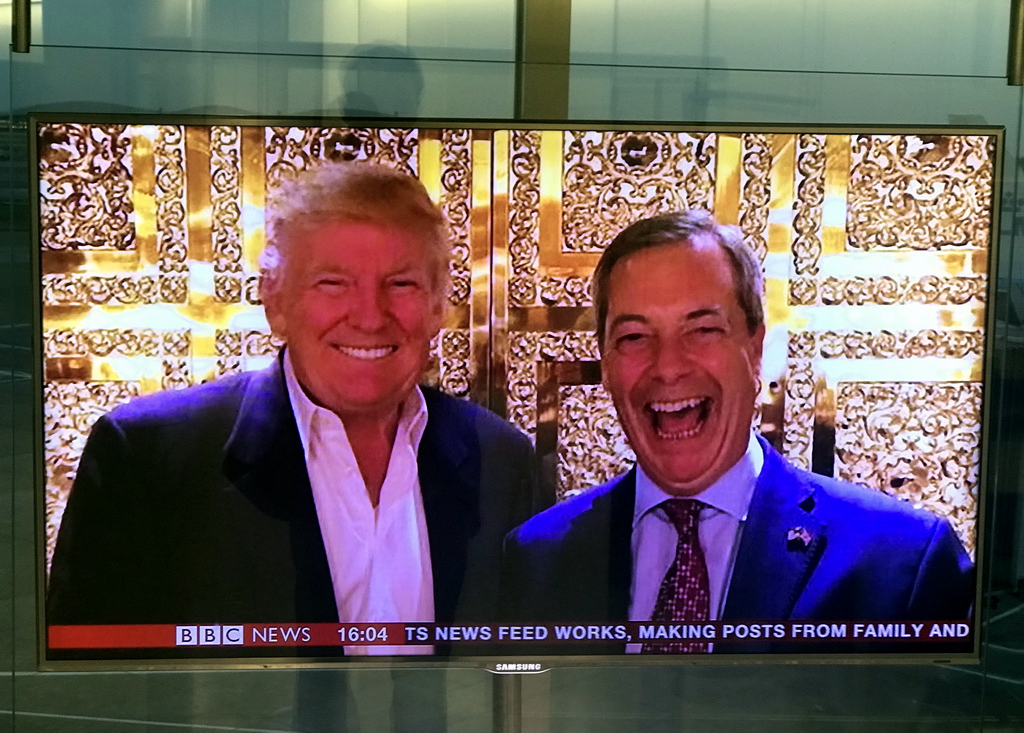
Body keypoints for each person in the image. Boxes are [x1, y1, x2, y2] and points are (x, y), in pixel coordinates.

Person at [47, 159, 536, 658]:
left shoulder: (502, 458)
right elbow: (90, 693)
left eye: (401, 284)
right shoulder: (148, 458)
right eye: (333, 283)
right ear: (275, 301)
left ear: (437, 304)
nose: (370, 316)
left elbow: (525, 674)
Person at [502, 210, 974, 653]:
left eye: (702, 330)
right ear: (605, 366)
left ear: (754, 349)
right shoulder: (537, 560)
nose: (667, 367)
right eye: (634, 338)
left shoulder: (902, 561)